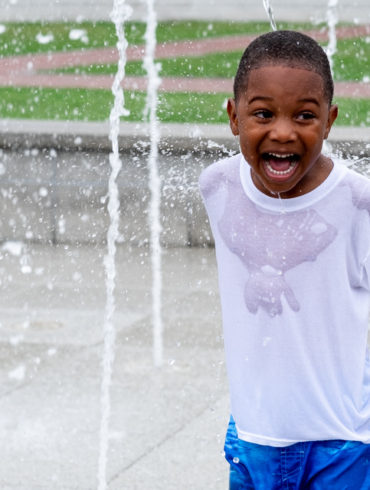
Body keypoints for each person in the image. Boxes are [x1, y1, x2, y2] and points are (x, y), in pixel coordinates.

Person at [199, 30, 370, 489]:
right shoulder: (218, 187)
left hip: (343, 441)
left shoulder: (358, 204)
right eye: (262, 113)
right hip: (254, 433)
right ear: (234, 117)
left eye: (305, 116)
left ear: (330, 121)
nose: (282, 130)